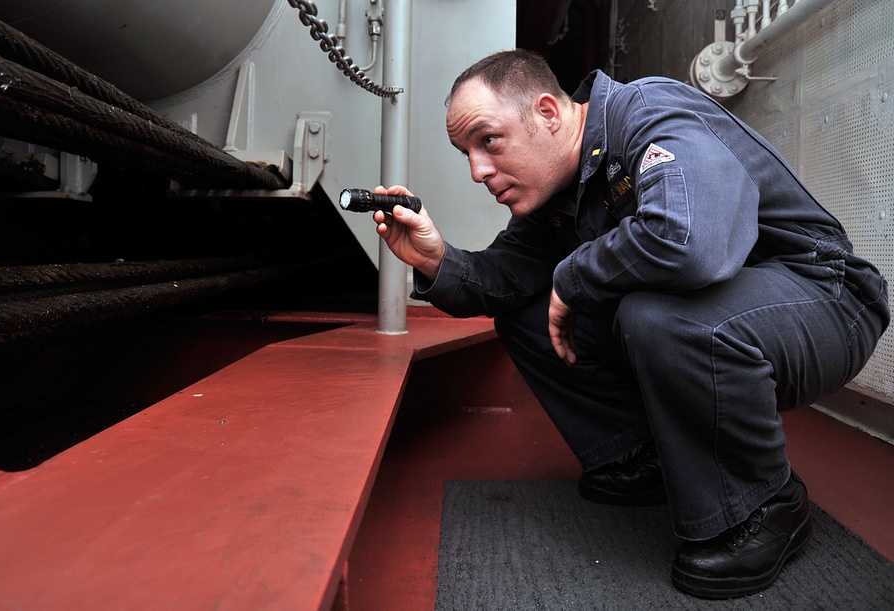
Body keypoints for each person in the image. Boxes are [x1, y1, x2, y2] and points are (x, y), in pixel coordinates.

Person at [372, 49, 890, 599]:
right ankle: (641, 453)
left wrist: (572, 279)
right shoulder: (555, 193)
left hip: (825, 299)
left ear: (548, 112)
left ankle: (766, 502)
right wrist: (434, 258)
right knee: (525, 315)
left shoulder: (645, 110)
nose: (477, 171)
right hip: (721, 318)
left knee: (656, 316)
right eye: (465, 154)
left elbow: (689, 242)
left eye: (488, 141)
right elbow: (503, 279)